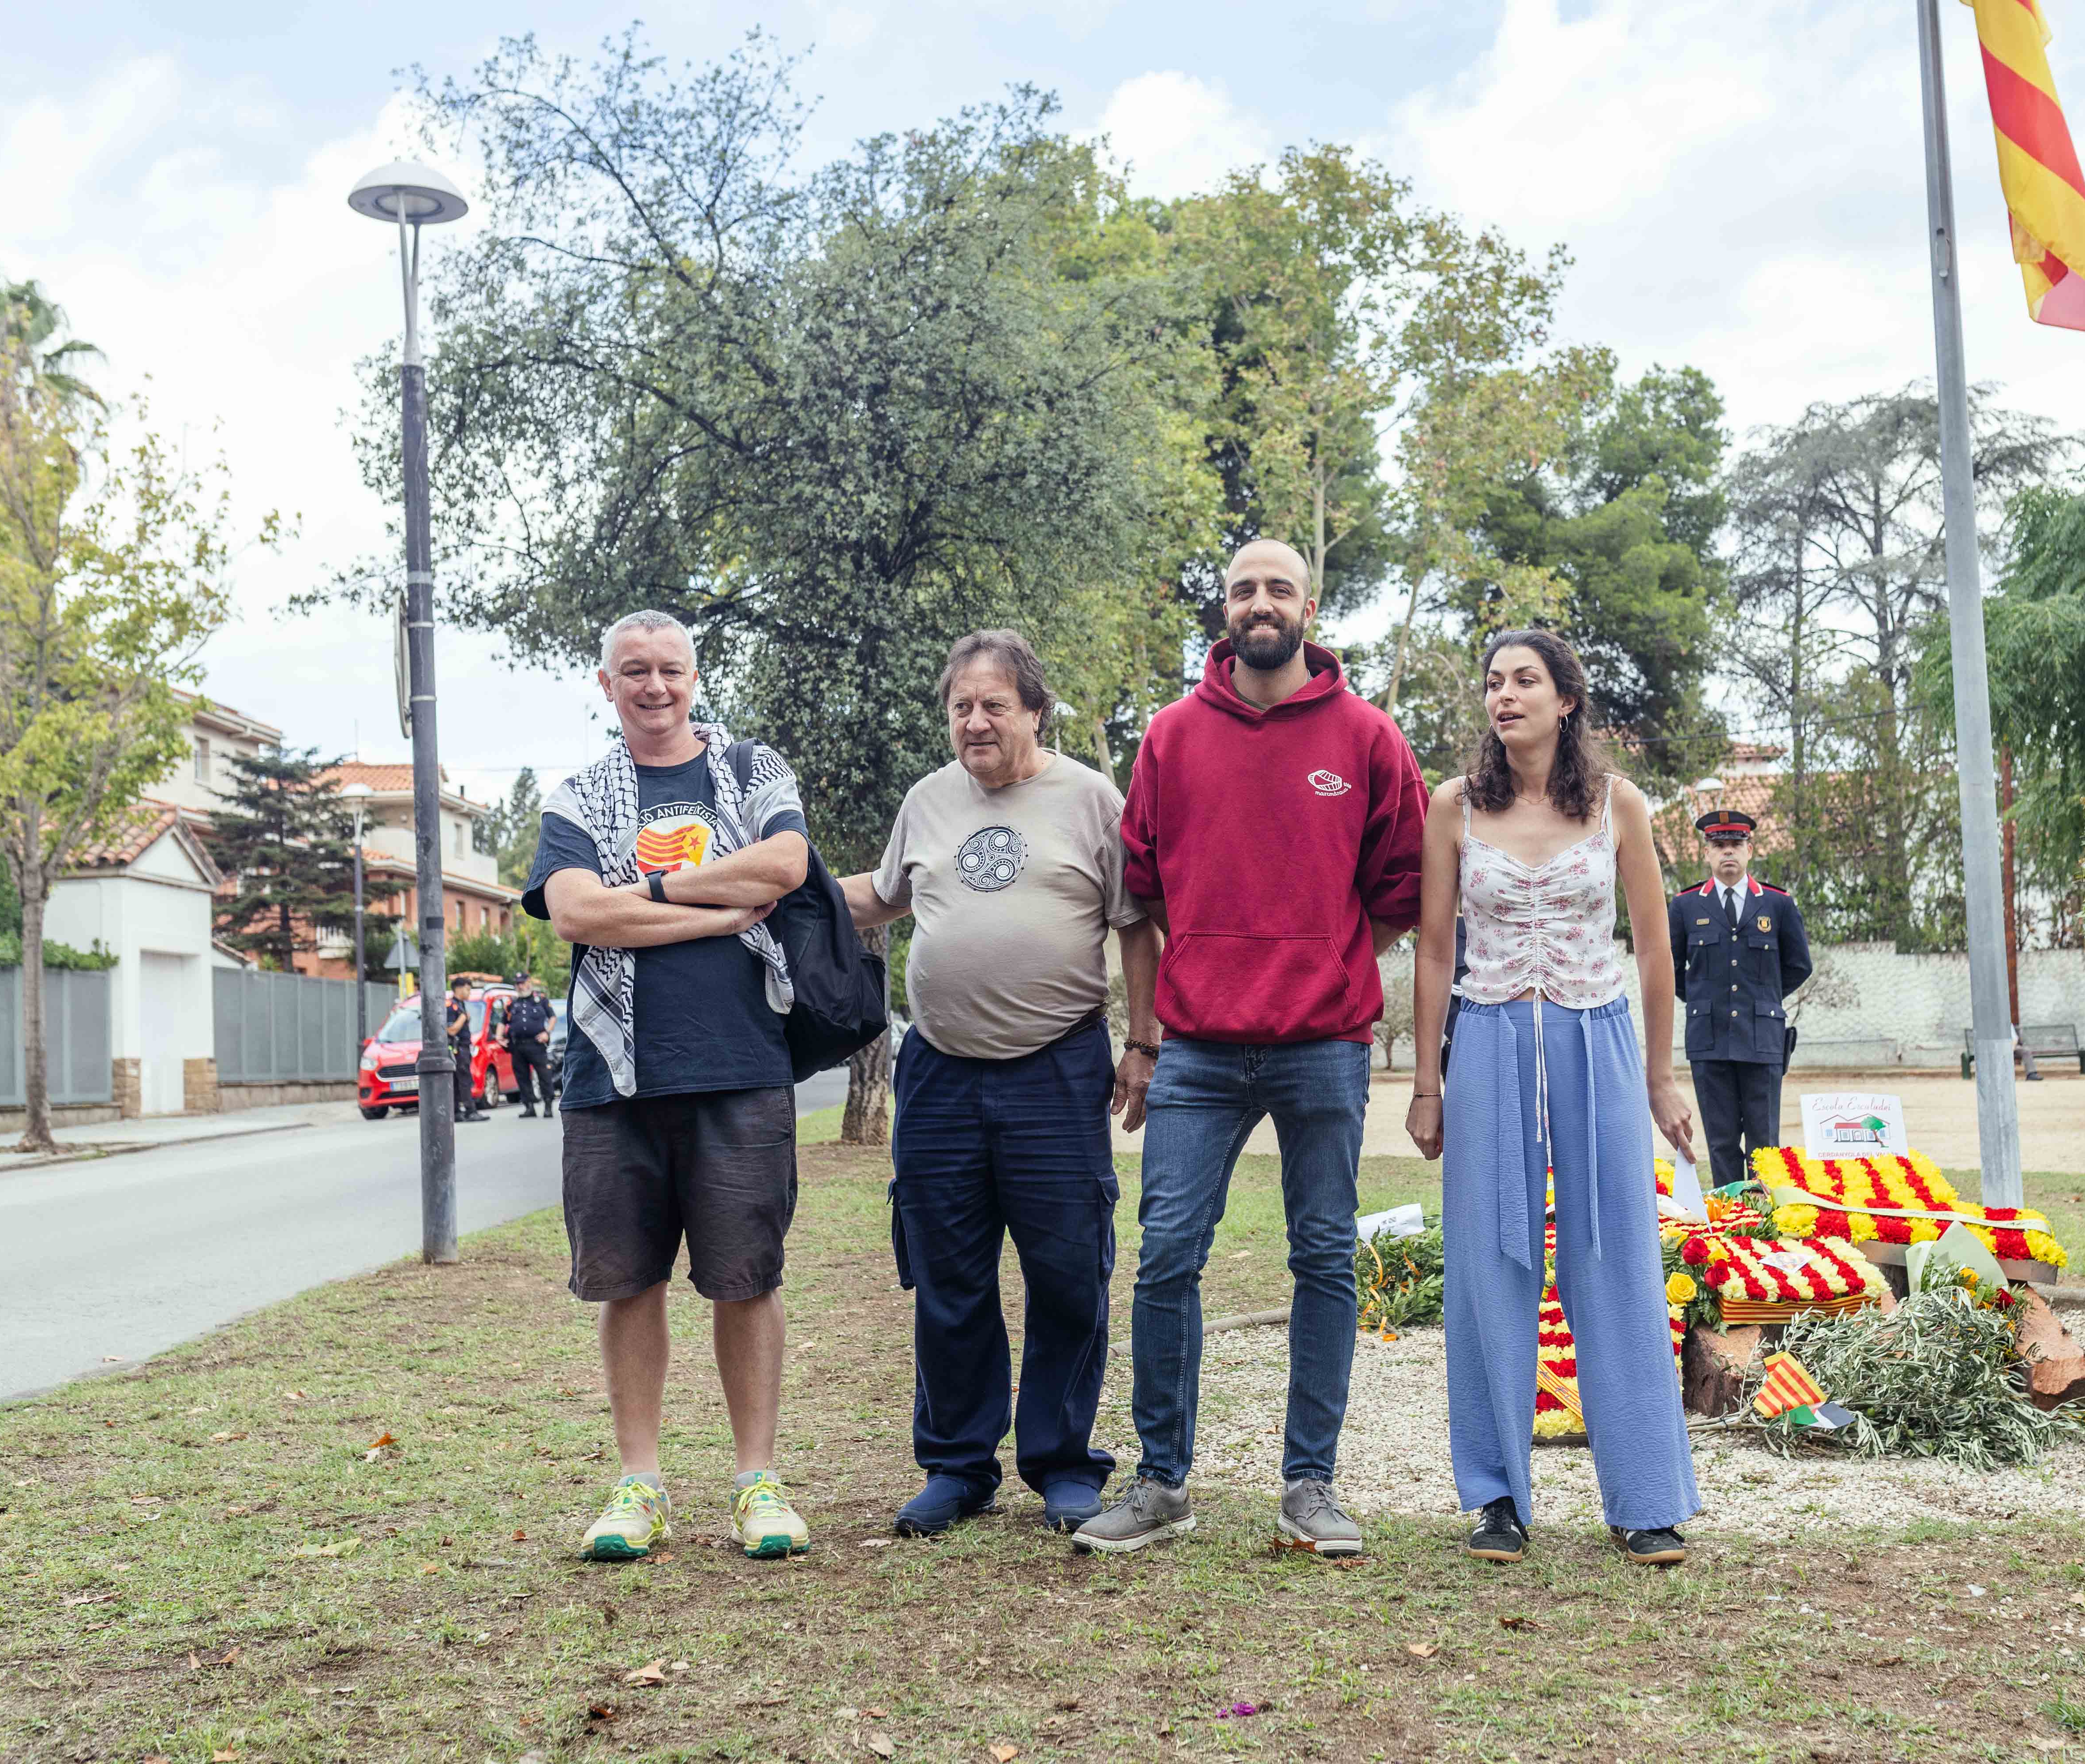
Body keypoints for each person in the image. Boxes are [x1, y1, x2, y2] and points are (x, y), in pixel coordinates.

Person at [1073, 538, 1427, 1558]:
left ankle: (1309, 1484)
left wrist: (1329, 960)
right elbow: (1139, 892)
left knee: (1323, 1256)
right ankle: (1160, 1481)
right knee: (1166, 1254)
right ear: (1223, 611)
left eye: (1278, 587)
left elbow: (1397, 892)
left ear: (1309, 605)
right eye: (1243, 589)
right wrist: (1146, 1035)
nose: (1260, 602)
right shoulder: (1173, 737)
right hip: (1198, 1047)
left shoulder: (1366, 738)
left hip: (1324, 1045)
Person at [838, 630, 1163, 1539]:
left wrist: (1143, 1040)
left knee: (1068, 1272)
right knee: (947, 1275)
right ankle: (956, 1465)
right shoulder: (929, 800)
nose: (976, 722)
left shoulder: (1091, 799)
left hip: (1055, 1067)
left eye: (994, 705)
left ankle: (1063, 1463)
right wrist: (775, 890)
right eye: (961, 707)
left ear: (1033, 709)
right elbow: (881, 895)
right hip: (938, 1070)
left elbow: (1136, 924)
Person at [522, 608, 816, 1564]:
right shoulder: (577, 795)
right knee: (627, 1279)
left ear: (698, 677)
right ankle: (639, 1482)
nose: (655, 686)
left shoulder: (750, 769)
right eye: (634, 670)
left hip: (739, 1067)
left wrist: (636, 903)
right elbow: (574, 912)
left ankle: (756, 1481)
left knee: (748, 1277)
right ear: (606, 685)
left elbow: (785, 865)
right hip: (613, 1077)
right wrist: (705, 906)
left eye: (672, 669)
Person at [1408, 628, 1702, 1567]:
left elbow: (1655, 949)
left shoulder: (1619, 804)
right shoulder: (1453, 806)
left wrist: (1660, 1075)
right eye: (1493, 681)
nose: (1505, 695)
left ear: (1566, 699)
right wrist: (1427, 1080)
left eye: (1525, 680)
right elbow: (1435, 950)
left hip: (1596, 1035)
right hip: (1488, 1038)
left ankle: (1646, 1497)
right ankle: (1496, 1496)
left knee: (1612, 1251)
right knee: (1490, 1261)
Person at [1669, 808, 1811, 1192]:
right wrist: (1703, 999)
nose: (1728, 852)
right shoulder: (1684, 907)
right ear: (1707, 853)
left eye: (1736, 844)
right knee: (1721, 1141)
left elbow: (1800, 965)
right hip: (1709, 1039)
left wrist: (1762, 1000)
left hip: (1761, 1038)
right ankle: (1733, 1227)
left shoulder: (1778, 905)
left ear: (1751, 849)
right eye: (1719, 845)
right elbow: (1672, 970)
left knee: (1765, 1145)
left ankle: (1766, 1222)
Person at [508, 979, 557, 1118]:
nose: (521, 987)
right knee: (522, 1077)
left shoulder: (540, 999)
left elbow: (553, 1017)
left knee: (544, 1075)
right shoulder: (512, 1003)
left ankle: (548, 1106)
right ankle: (529, 1107)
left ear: (529, 983)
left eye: (523, 983)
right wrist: (500, 1037)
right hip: (518, 1045)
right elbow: (503, 1021)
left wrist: (547, 1033)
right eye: (518, 984)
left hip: (537, 1044)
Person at [446, 980, 488, 1123]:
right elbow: (451, 1030)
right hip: (458, 1049)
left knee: (459, 1081)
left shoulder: (460, 1005)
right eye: (468, 990)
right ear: (459, 989)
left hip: (464, 1047)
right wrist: (464, 1017)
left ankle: (457, 1112)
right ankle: (470, 1111)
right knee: (464, 1080)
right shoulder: (451, 1006)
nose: (469, 993)